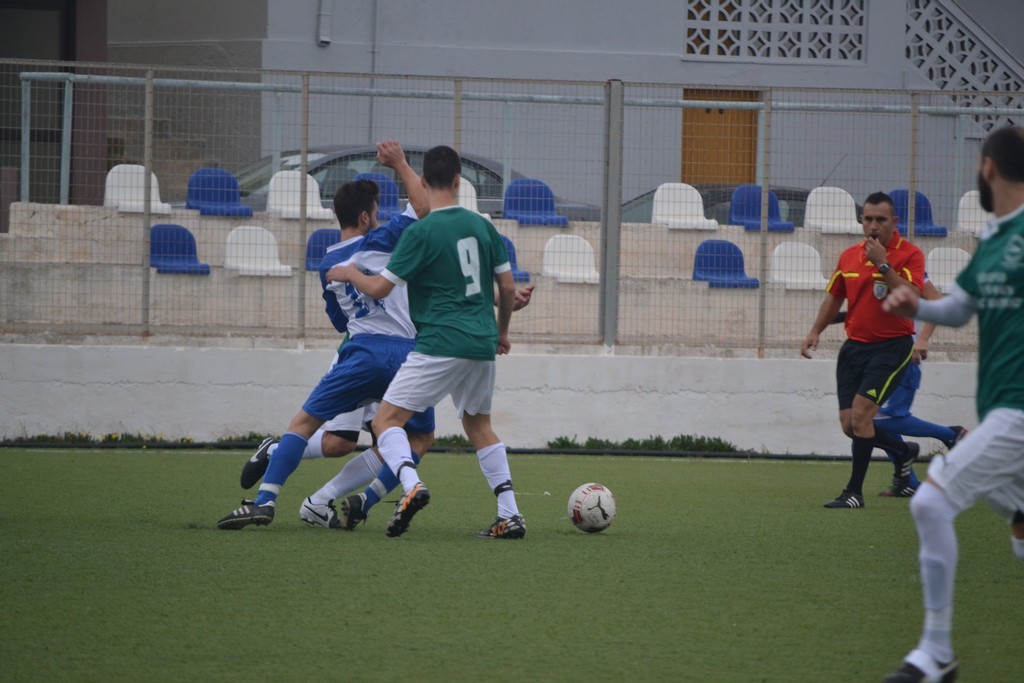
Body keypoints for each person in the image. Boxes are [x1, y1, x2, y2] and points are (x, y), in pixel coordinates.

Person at [217, 139, 434, 530]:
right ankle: (369, 497)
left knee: (302, 425)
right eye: (376, 213)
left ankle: (265, 502)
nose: (379, 218)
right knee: (416, 439)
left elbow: (340, 322)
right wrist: (400, 163)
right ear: (366, 217)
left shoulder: (328, 263)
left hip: (361, 351)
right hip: (406, 355)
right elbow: (422, 205)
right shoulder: (384, 239)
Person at [880, 125, 1024, 683]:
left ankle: (936, 653)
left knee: (930, 504)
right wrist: (915, 305)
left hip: (1018, 413)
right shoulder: (994, 237)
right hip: (1002, 410)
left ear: (987, 167)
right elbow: (959, 308)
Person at [326, 144, 523, 539]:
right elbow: (505, 287)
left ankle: (411, 484)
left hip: (439, 342)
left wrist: (350, 274)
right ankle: (510, 514)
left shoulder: (421, 232)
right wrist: (502, 332)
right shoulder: (483, 225)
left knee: (385, 421)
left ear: (424, 180)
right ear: (458, 181)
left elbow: (379, 288)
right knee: (479, 425)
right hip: (482, 342)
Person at [802, 191, 926, 508]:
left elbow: (913, 297)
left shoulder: (910, 255)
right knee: (850, 425)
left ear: (894, 222)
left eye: (880, 220)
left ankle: (853, 493)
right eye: (867, 219)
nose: (873, 225)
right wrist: (815, 330)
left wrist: (883, 264)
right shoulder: (849, 256)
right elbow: (834, 297)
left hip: (892, 348)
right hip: (855, 348)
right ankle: (903, 451)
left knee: (861, 416)